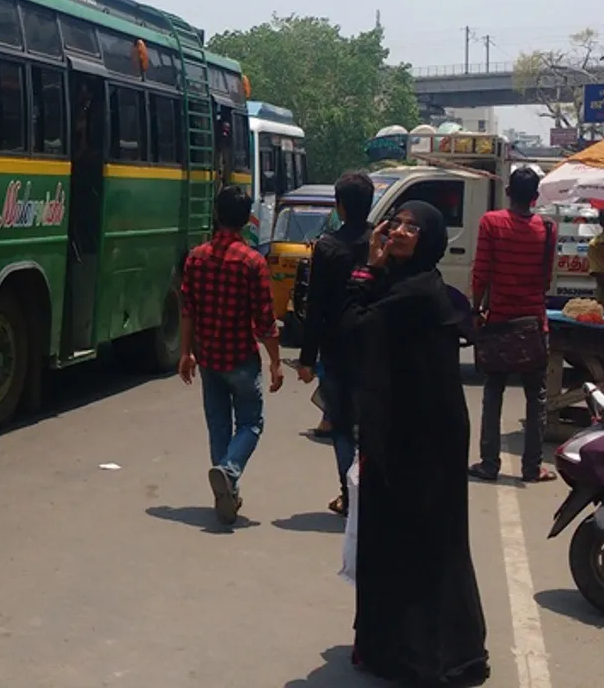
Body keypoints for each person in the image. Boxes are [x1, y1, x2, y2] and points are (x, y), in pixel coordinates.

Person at [340, 201, 489, 687]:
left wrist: (368, 265)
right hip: (400, 430)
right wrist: (377, 266)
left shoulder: (418, 292)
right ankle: (392, 647)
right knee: (392, 540)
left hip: (425, 439)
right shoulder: (399, 284)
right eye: (396, 223)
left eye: (411, 227)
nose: (400, 231)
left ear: (428, 241)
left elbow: (354, 327)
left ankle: (438, 655)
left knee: (428, 543)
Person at [179, 186, 283, 525]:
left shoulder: (196, 257)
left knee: (219, 424)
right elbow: (265, 320)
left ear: (216, 214)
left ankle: (225, 493)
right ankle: (229, 471)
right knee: (251, 423)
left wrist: (185, 353)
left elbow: (187, 311)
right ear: (246, 219)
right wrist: (276, 362)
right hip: (240, 357)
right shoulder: (253, 262)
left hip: (208, 356)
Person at [468, 167, 558, 484]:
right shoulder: (547, 229)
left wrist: (476, 310)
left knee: (494, 392)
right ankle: (531, 468)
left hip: (499, 323)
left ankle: (489, 464)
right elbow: (546, 279)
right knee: (537, 397)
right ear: (535, 197)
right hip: (534, 325)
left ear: (508, 192)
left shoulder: (491, 223)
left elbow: (481, 272)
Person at [294, 171, 374, 515]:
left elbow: (316, 307)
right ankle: (371, 491)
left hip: (338, 350)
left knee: (342, 427)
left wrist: (306, 359)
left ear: (340, 206)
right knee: (372, 426)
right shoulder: (382, 242)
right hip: (376, 348)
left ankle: (350, 492)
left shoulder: (328, 247)